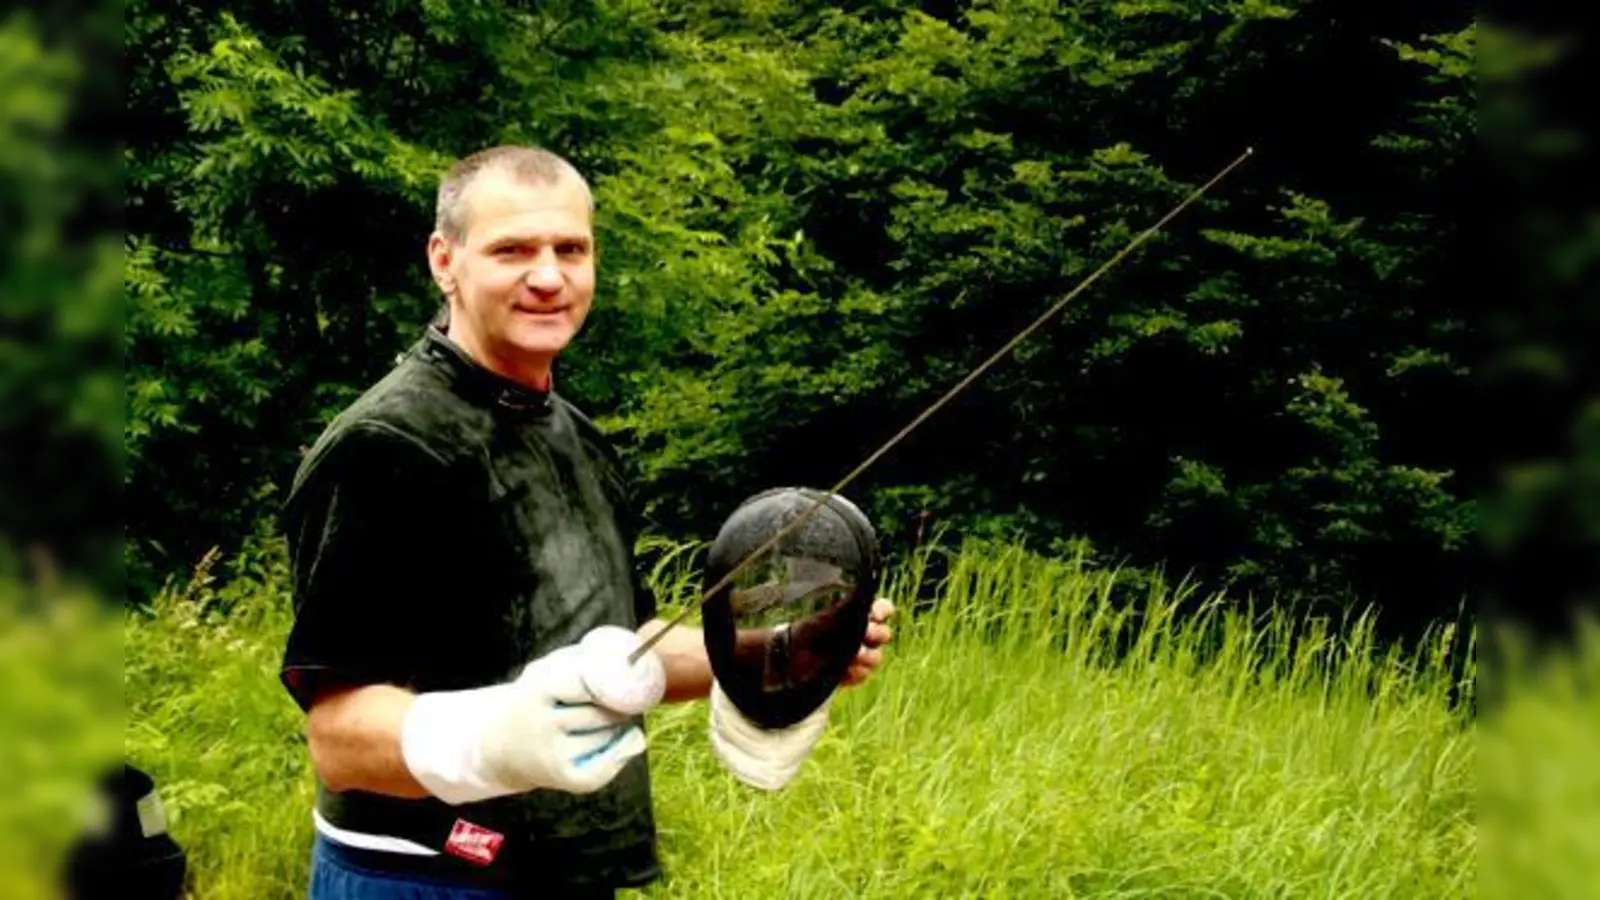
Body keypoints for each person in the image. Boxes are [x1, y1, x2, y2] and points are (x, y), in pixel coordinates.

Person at [277, 145, 895, 899]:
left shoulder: (579, 439)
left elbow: (626, 653)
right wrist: (499, 737)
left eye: (570, 248)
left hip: (570, 873)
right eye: (512, 249)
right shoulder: (388, 446)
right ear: (446, 260)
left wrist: (784, 651)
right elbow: (338, 738)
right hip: (421, 875)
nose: (548, 276)